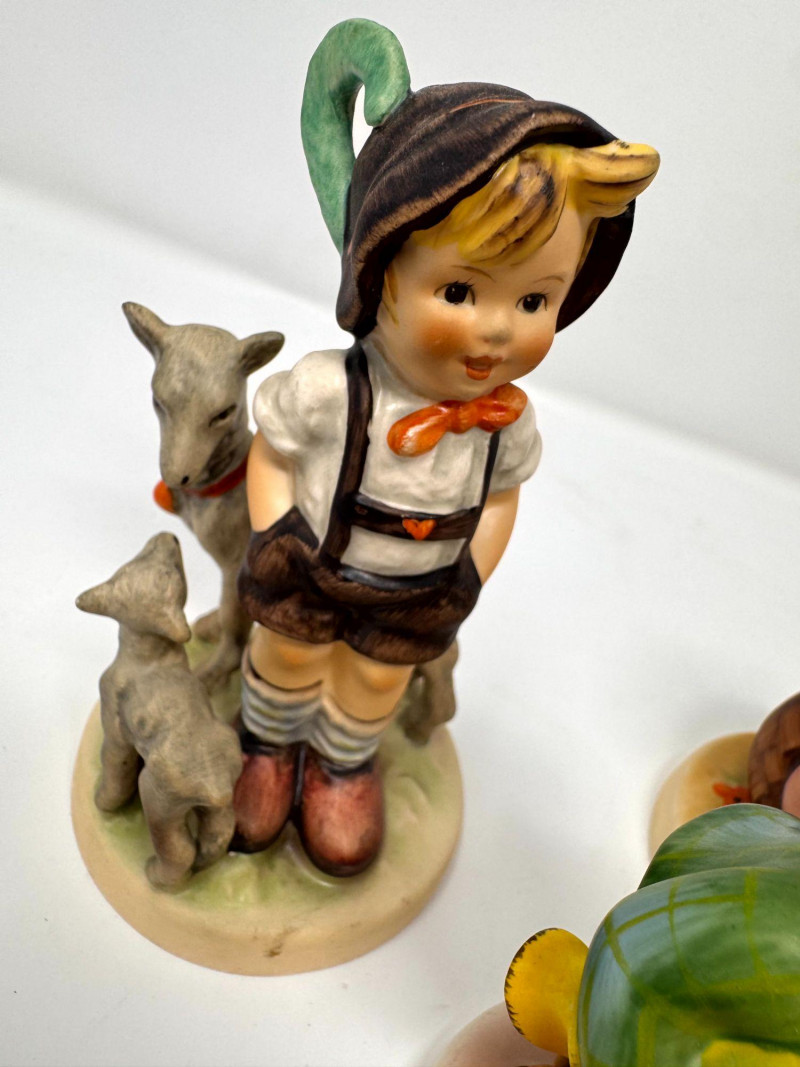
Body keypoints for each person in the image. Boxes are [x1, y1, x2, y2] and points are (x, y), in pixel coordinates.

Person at [233, 20, 659, 875]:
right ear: (380, 270)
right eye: (460, 291)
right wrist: (276, 529)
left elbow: (499, 500)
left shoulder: (505, 424)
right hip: (313, 564)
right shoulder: (330, 389)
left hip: (416, 590)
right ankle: (267, 749)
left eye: (534, 302)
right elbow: (273, 455)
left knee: (374, 681)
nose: (497, 329)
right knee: (286, 653)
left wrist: (470, 570)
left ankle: (342, 766)